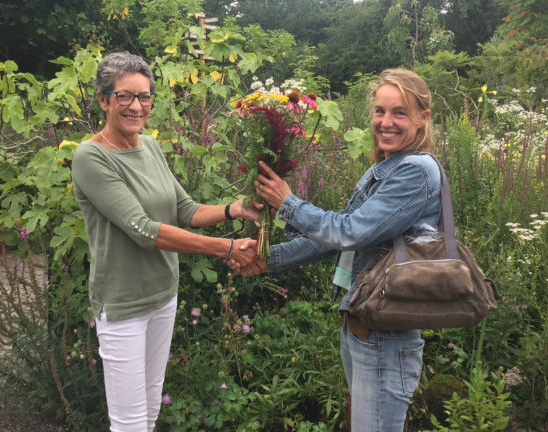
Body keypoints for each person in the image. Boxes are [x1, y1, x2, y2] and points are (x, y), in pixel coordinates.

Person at [71, 51, 260, 431]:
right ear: (104, 100)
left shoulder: (151, 147)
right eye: (124, 96)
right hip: (123, 303)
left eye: (144, 97)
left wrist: (235, 208)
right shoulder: (91, 157)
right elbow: (142, 230)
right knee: (129, 423)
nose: (136, 106)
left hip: (162, 296)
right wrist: (225, 248)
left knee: (150, 409)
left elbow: (185, 209)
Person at [253, 68, 442, 431]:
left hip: (386, 335)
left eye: (399, 113)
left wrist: (289, 203)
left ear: (423, 118)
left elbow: (349, 232)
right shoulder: (387, 167)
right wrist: (269, 260)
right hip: (363, 327)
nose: (386, 122)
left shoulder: (415, 172)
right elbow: (338, 234)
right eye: (380, 111)